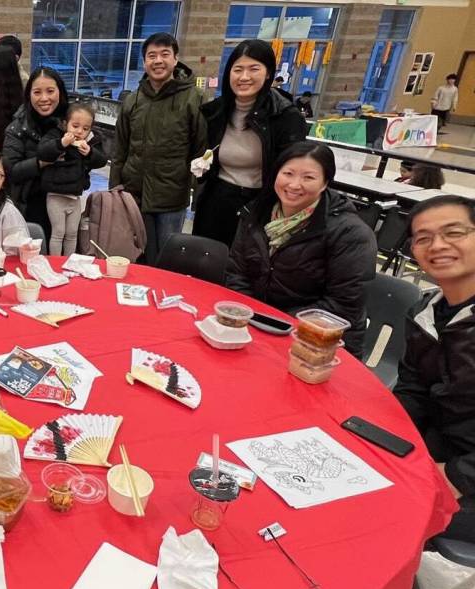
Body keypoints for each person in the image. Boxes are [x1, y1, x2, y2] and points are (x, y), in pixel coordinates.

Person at [330, 195, 475, 589]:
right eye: (423, 237)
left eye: (455, 232)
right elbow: (413, 389)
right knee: (342, 460)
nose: (438, 245)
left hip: (467, 474)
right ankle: (363, 579)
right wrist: (379, 436)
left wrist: (451, 477)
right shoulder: (433, 310)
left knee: (378, 500)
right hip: (446, 447)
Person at [225, 142, 376, 358]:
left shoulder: (350, 233)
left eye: (308, 177)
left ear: (325, 183)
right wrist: (253, 315)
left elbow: (343, 304)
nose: (295, 185)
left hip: (317, 341)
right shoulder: (256, 213)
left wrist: (275, 322)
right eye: (288, 173)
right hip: (258, 325)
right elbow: (236, 271)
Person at [193, 39, 307, 246]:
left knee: (245, 267)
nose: (244, 77)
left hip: (260, 204)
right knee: (205, 261)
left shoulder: (285, 117)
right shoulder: (216, 111)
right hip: (217, 199)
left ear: (268, 73)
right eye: (238, 69)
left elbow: (294, 169)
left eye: (254, 69)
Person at [111, 32, 207, 264]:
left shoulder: (194, 98)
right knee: (136, 254)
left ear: (175, 59)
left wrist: (198, 195)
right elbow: (120, 149)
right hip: (134, 193)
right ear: (144, 62)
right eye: (151, 55)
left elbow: (201, 150)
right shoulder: (133, 100)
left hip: (171, 196)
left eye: (165, 54)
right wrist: (115, 190)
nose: (158, 61)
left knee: (167, 256)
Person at [3, 67, 70, 241]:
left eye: (50, 91)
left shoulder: (71, 122)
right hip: (30, 204)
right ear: (29, 95)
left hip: (67, 204)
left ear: (60, 92)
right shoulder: (17, 127)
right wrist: (42, 162)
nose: (44, 98)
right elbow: (11, 170)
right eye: (37, 92)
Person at [38, 103, 107, 255]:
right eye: (75, 126)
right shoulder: (55, 135)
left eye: (85, 128)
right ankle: (56, 262)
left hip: (75, 196)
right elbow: (43, 151)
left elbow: (102, 160)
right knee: (58, 232)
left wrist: (90, 153)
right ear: (65, 124)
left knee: (72, 233)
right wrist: (62, 144)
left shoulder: (91, 142)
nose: (79, 131)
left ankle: (69, 262)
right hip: (56, 195)